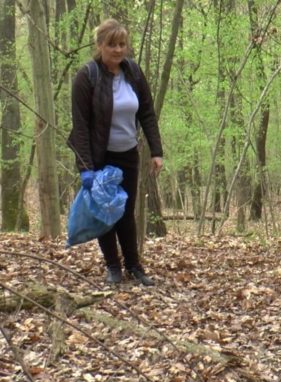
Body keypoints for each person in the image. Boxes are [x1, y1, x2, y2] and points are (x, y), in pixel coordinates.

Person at [69, 19, 163, 286]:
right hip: (101, 157)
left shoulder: (132, 72)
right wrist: (86, 168)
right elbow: (80, 127)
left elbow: (147, 112)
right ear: (100, 46)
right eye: (112, 45)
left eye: (122, 44)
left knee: (125, 212)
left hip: (128, 154)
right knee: (106, 212)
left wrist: (156, 151)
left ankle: (134, 266)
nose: (118, 50)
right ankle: (113, 267)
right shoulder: (87, 77)